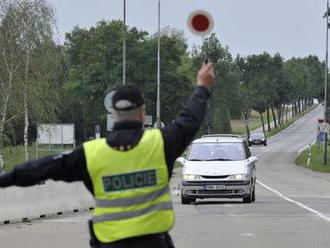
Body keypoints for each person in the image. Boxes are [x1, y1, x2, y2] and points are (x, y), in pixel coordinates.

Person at [0, 62, 215, 248]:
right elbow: (190, 118)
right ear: (142, 112)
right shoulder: (160, 144)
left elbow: (40, 169)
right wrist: (202, 87)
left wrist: (4, 179)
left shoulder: (91, 154)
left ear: (114, 114)